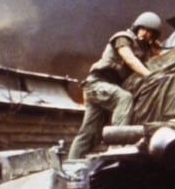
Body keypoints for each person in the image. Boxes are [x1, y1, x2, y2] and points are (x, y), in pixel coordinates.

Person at [68, 12, 162, 160]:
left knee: (89, 132)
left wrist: (156, 52)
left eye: (150, 32)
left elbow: (154, 64)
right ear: (137, 27)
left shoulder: (144, 51)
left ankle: (71, 163)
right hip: (97, 83)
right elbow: (130, 59)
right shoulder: (123, 38)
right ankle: (117, 147)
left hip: (106, 90)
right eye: (143, 29)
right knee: (125, 98)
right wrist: (150, 76)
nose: (145, 33)